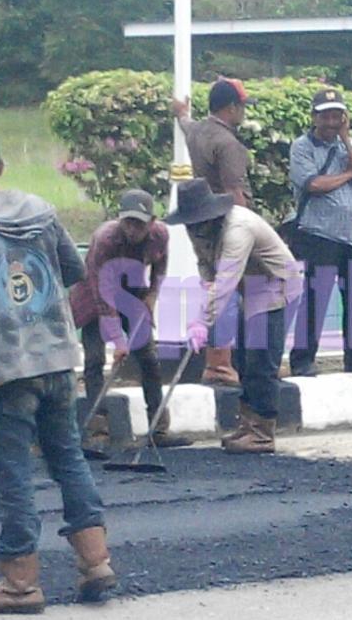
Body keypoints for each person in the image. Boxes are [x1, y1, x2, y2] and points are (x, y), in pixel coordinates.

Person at [0, 127, 115, 613]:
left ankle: (19, 584)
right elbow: (73, 272)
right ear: (0, 168)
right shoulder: (40, 209)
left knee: (11, 476)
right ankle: (96, 563)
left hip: (5, 368)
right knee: (67, 459)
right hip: (57, 357)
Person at [167, 179, 302, 454]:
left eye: (198, 222)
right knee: (241, 356)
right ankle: (247, 425)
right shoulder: (200, 230)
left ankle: (262, 433)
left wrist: (202, 321)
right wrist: (203, 305)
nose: (194, 229)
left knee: (260, 359)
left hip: (276, 285)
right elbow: (206, 268)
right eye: (190, 224)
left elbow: (226, 281)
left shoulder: (238, 229)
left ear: (212, 215)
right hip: (249, 288)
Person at [68, 189, 191, 449]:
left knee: (148, 357)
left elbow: (160, 265)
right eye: (128, 222)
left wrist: (152, 296)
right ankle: (98, 431)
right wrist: (118, 341)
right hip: (94, 298)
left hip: (132, 295)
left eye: (139, 223)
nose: (133, 229)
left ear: (152, 221)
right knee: (94, 361)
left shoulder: (160, 235)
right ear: (119, 219)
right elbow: (102, 294)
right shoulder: (105, 240)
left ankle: (158, 428)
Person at [285, 88, 352, 377]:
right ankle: (302, 359)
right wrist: (348, 174)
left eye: (336, 115)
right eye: (325, 115)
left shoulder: (347, 145)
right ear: (315, 117)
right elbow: (314, 184)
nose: (331, 121)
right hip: (319, 233)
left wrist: (347, 141)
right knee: (316, 298)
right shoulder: (302, 146)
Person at [172, 77, 258, 386]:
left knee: (216, 292)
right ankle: (230, 365)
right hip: (228, 224)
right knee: (243, 294)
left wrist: (180, 111)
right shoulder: (228, 144)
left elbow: (185, 123)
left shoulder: (198, 132)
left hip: (202, 226)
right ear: (231, 108)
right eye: (242, 107)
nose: (244, 113)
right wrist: (248, 234)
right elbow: (235, 191)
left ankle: (217, 363)